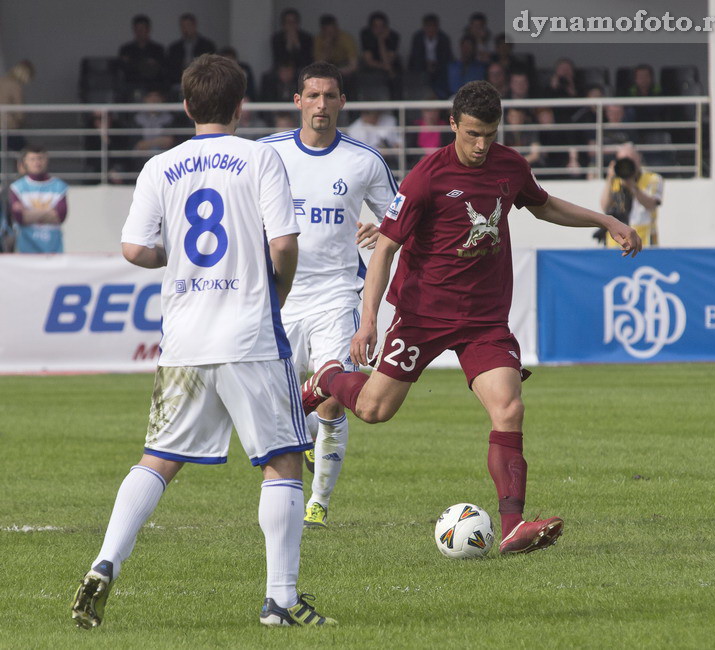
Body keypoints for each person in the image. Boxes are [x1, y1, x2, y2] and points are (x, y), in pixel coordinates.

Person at [301, 80, 642, 555]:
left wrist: (607, 221)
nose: (482, 145)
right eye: (473, 134)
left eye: (490, 134)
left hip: (484, 319)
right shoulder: (426, 176)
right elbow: (383, 250)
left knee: (509, 407)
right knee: (375, 410)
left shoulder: (509, 165)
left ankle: (512, 527)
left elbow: (545, 206)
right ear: (453, 125)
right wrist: (368, 320)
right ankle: (328, 378)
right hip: (423, 315)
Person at [71, 54, 335, 629]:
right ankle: (280, 600)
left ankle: (105, 559)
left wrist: (179, 256)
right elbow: (285, 244)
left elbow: (136, 250)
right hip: (249, 333)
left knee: (158, 460)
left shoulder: (159, 166)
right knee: (284, 460)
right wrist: (278, 293)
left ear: (187, 106)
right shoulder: (260, 156)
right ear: (242, 106)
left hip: (185, 339)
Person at [259, 62, 398, 528]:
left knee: (333, 395)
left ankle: (317, 503)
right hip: (279, 297)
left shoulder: (365, 161)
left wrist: (382, 229)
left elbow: (403, 226)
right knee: (281, 407)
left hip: (338, 294)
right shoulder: (265, 154)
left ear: (343, 102)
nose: (321, 105)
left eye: (330, 96)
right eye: (312, 96)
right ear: (297, 102)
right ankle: (311, 448)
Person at [599, 142, 663, 247]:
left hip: (644, 242)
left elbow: (651, 205)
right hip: (615, 244)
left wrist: (632, 186)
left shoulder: (653, 179)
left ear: (639, 158)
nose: (627, 164)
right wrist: (609, 178)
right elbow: (604, 206)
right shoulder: (615, 179)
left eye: (630, 159)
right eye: (623, 160)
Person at [9, 146, 68, 253]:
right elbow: (19, 217)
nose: (37, 162)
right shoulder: (17, 187)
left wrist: (28, 213)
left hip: (53, 248)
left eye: (40, 158)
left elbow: (61, 215)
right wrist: (49, 213)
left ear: (46, 160)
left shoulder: (59, 186)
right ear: (25, 162)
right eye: (32, 159)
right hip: (26, 249)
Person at [118, 14, 166, 100]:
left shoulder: (157, 49)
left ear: (148, 30)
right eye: (137, 29)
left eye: (142, 29)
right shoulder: (126, 49)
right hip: (132, 85)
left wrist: (134, 63)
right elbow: (125, 69)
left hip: (153, 87)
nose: (139, 32)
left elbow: (159, 70)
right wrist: (145, 64)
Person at [408, 13, 453, 99]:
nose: (430, 29)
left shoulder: (444, 38)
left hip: (439, 69)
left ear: (437, 27)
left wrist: (435, 65)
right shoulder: (418, 38)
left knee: (444, 76)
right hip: (421, 69)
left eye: (433, 26)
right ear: (424, 27)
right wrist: (426, 64)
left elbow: (446, 58)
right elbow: (415, 57)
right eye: (428, 26)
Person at [359, 11, 402, 99]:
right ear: (371, 27)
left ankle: (396, 109)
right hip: (372, 69)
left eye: (381, 26)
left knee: (396, 79)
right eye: (376, 26)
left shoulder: (394, 36)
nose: (379, 29)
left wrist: (381, 41)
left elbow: (389, 61)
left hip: (391, 68)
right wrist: (385, 67)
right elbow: (369, 61)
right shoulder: (366, 35)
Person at [166, 13, 216, 87]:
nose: (186, 29)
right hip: (179, 82)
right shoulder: (174, 48)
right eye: (183, 26)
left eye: (188, 26)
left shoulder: (207, 46)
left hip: (201, 83)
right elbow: (170, 69)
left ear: (194, 25)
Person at [0, 60, 35, 151]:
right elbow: (19, 110)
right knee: (25, 152)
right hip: (7, 126)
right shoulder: (15, 86)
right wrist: (21, 121)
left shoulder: (2, 81)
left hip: (4, 125)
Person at [271, 8, 313, 73]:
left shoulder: (306, 38)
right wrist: (288, 46)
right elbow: (278, 60)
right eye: (288, 22)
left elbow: (307, 60)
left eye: (293, 22)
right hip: (282, 72)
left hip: (302, 70)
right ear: (283, 24)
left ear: (298, 23)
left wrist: (297, 45)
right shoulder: (277, 38)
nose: (291, 25)